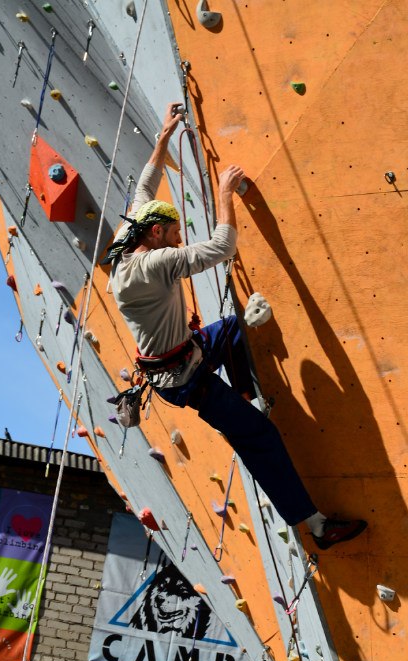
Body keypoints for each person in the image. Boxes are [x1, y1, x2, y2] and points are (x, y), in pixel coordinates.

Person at [104, 103, 366, 550]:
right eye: (173, 233)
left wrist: (165, 136)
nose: (178, 238)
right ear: (155, 237)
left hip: (178, 353)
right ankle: (317, 526)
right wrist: (225, 191)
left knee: (232, 329)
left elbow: (146, 184)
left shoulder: (129, 243)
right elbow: (223, 246)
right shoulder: (153, 264)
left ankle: (247, 396)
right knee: (259, 437)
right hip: (185, 377)